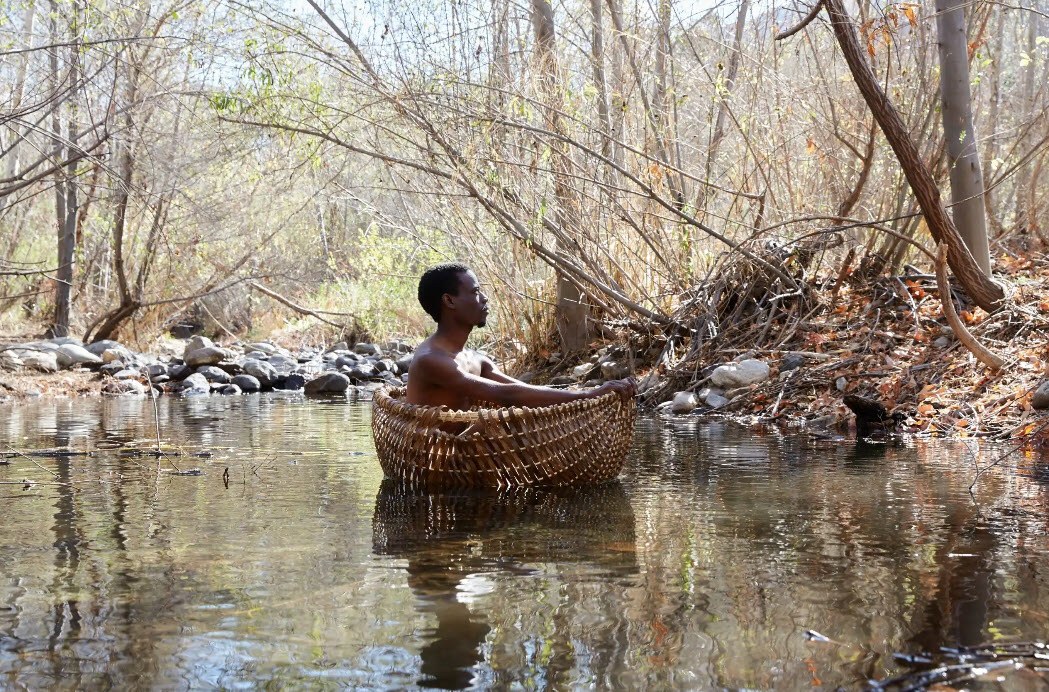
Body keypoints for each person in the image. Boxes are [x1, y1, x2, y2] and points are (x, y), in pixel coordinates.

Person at [406, 263, 636, 409]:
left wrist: (588, 396)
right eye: (475, 292)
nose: (485, 298)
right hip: (437, 461)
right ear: (449, 301)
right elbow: (508, 395)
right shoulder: (431, 359)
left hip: (467, 457)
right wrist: (590, 394)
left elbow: (523, 392)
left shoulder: (477, 360)